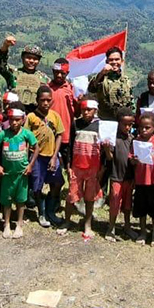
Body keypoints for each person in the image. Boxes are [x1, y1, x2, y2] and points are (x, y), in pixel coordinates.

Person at [0, 103, 39, 239]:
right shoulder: (3, 134)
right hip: (7, 175)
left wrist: (30, 165)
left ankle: (19, 224)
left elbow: (36, 148)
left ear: (22, 120)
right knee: (6, 201)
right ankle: (6, 224)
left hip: (22, 174)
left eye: (17, 119)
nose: (14, 122)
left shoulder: (26, 134)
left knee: (20, 200)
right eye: (11, 119)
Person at [27, 85, 66, 228]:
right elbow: (26, 136)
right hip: (37, 157)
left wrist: (55, 156)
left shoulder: (55, 116)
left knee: (57, 183)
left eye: (48, 100)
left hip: (51, 156)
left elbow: (59, 135)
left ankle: (50, 210)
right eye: (42, 100)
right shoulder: (31, 117)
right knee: (37, 186)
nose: (45, 103)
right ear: (37, 100)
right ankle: (41, 212)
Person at [64, 97, 103, 239]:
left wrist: (102, 168)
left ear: (95, 111)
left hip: (93, 167)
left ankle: (88, 224)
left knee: (89, 197)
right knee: (71, 195)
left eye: (89, 110)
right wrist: (68, 165)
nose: (86, 113)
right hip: (77, 166)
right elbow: (69, 145)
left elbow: (104, 150)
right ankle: (67, 221)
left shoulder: (100, 126)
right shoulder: (76, 124)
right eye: (83, 110)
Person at [131, 111, 154, 246]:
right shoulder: (136, 141)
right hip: (140, 181)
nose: (144, 130)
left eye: (147, 127)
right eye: (141, 127)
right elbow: (131, 160)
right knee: (141, 208)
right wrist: (134, 160)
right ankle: (143, 232)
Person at [104, 107, 136, 241]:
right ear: (118, 123)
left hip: (129, 177)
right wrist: (106, 149)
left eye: (130, 124)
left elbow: (134, 158)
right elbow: (110, 158)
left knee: (128, 205)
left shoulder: (133, 139)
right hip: (116, 176)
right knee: (115, 203)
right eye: (125, 124)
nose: (127, 127)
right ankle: (111, 228)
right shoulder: (113, 138)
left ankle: (127, 227)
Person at [0, 35, 49, 111]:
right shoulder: (13, 73)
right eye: (28, 57)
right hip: (13, 116)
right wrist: (5, 45)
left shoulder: (44, 79)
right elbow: (0, 64)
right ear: (22, 58)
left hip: (34, 117)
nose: (31, 61)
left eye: (35, 59)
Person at [89, 47, 134, 121]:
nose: (114, 62)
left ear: (122, 61)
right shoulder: (102, 78)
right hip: (106, 120)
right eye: (111, 60)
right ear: (107, 61)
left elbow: (131, 102)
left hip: (122, 122)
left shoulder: (126, 80)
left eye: (117, 59)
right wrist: (102, 73)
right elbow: (91, 89)